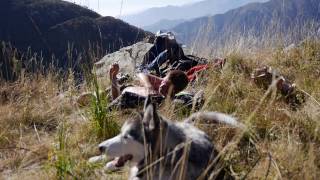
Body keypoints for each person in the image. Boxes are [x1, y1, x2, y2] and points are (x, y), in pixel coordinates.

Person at [108, 63, 189, 110]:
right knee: (121, 91)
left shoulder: (167, 99)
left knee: (120, 98)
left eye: (168, 87)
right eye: (165, 82)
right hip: (127, 89)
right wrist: (148, 85)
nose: (163, 86)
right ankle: (113, 78)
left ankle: (113, 78)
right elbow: (141, 75)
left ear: (174, 91)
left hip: (125, 98)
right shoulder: (160, 81)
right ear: (165, 77)